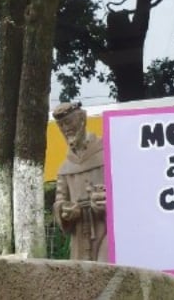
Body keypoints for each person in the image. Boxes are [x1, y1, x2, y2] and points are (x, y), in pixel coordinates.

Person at [51, 102, 108, 261]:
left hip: (106, 231)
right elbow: (60, 201)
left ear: (82, 119)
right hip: (79, 236)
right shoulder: (65, 168)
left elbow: (126, 191)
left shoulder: (107, 153)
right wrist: (66, 210)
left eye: (68, 122)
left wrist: (106, 202)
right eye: (61, 125)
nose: (65, 129)